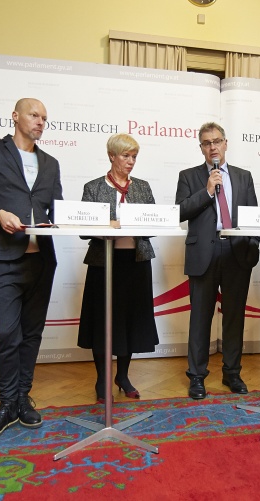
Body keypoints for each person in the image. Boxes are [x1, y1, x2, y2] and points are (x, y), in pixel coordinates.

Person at [0, 98, 63, 443]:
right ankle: (6, 403)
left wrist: (69, 219)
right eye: (34, 115)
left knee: (31, 333)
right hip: (4, 258)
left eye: (45, 118)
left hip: (42, 260)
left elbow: (57, 207)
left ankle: (22, 398)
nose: (40, 122)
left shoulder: (50, 162)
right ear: (16, 116)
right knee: (7, 333)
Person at [176, 122, 259, 399]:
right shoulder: (188, 176)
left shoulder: (244, 176)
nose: (213, 146)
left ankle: (232, 373)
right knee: (200, 318)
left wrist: (251, 246)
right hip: (204, 255)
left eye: (217, 141)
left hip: (237, 253)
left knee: (234, 317)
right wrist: (208, 191)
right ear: (201, 147)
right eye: (207, 143)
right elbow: (181, 211)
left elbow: (253, 216)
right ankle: (197, 377)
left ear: (226, 143)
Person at [78, 134, 159, 402]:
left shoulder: (143, 188)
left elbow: (155, 225)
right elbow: (83, 229)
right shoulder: (93, 187)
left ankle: (122, 376)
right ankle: (102, 378)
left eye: (134, 156)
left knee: (131, 322)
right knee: (103, 322)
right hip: (104, 264)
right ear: (112, 155)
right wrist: (110, 224)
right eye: (126, 156)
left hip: (136, 263)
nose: (131, 161)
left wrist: (132, 223)